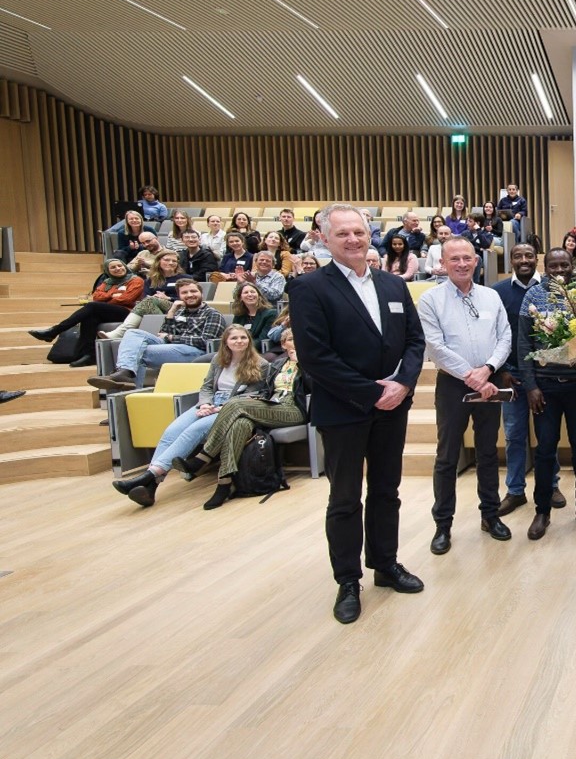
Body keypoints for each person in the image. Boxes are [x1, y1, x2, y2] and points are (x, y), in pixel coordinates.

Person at [287, 204, 427, 625]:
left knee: (386, 490)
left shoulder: (394, 285)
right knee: (345, 498)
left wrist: (403, 384)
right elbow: (316, 357)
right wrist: (372, 393)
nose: (353, 239)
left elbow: (415, 341)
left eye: (359, 232)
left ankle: (385, 564)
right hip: (343, 409)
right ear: (324, 238)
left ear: (370, 235)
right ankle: (348, 580)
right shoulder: (309, 288)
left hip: (392, 408)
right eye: (342, 233)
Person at [418, 238, 513, 552]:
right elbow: (435, 347)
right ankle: (443, 525)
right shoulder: (431, 300)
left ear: (476, 261)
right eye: (454, 259)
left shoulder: (490, 296)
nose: (461, 264)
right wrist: (472, 376)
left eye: (467, 258)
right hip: (452, 385)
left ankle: (490, 516)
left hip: (489, 380)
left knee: (488, 452)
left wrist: (488, 369)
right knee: (447, 456)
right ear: (443, 263)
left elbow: (505, 337)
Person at [112, 324, 268, 507]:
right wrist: (206, 404)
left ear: (249, 340)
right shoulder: (218, 359)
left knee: (194, 430)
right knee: (171, 431)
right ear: (226, 341)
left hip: (232, 407)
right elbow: (207, 386)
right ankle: (151, 485)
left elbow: (252, 394)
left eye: (243, 337)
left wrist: (220, 408)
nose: (239, 341)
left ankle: (149, 476)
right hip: (209, 403)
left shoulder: (261, 364)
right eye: (234, 338)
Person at [517, 248, 576, 539]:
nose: (559, 270)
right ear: (545, 267)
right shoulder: (533, 296)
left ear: (572, 266)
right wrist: (531, 386)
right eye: (553, 265)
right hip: (545, 388)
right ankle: (542, 511)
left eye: (564, 265)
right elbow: (524, 345)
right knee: (544, 450)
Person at [186, 329, 310, 509]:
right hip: (271, 405)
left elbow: (315, 387)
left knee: (236, 403)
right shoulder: (278, 364)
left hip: (293, 409)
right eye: (291, 339)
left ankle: (204, 457)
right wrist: (255, 399)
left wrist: (303, 364)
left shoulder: (312, 363)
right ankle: (224, 482)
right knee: (240, 423)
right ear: (284, 345)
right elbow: (266, 389)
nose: (295, 343)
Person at [494, 242, 565, 515]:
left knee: (547, 435)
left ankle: (551, 484)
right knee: (514, 434)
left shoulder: (551, 288)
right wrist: (501, 369)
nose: (524, 260)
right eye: (518, 256)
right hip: (511, 375)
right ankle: (515, 490)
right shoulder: (498, 292)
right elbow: (494, 333)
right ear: (511, 260)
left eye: (529, 255)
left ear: (537, 259)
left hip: (545, 374)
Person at [88, 279, 228, 391]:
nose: (190, 295)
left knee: (139, 352)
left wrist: (171, 338)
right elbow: (163, 332)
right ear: (179, 296)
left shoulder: (212, 314)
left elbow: (206, 342)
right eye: (184, 292)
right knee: (132, 333)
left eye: (193, 291)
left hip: (196, 352)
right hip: (172, 347)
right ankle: (126, 373)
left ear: (201, 294)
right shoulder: (180, 312)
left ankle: (128, 389)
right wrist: (171, 312)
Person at [29, 258, 145, 367]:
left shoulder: (136, 280)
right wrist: (112, 295)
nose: (118, 269)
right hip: (106, 311)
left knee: (91, 306)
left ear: (125, 266)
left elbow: (126, 299)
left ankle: (55, 331)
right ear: (108, 271)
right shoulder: (107, 282)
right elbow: (96, 296)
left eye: (120, 266)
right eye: (113, 267)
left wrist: (106, 298)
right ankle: (89, 355)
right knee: (90, 317)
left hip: (127, 312)